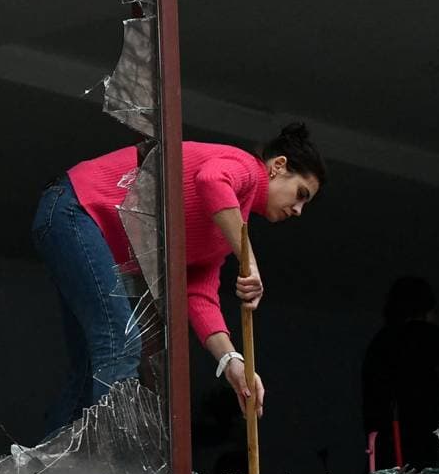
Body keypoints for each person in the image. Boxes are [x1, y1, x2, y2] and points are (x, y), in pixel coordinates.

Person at [35, 123, 326, 434]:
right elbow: (212, 180)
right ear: (278, 166)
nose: (299, 210)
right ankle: (115, 455)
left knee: (91, 365)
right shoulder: (245, 168)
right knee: (121, 342)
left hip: (72, 221)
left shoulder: (227, 225)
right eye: (301, 194)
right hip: (73, 209)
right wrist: (248, 260)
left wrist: (232, 361)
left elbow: (199, 294)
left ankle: (52, 460)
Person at [360, 275, 439, 470]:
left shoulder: (381, 342)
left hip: (383, 447)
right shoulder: (419, 336)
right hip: (410, 447)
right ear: (426, 310)